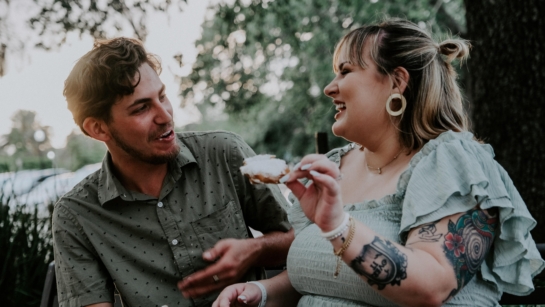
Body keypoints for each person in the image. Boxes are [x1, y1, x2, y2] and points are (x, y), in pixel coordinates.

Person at [212, 18, 545, 307]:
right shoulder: (334, 167)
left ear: (397, 81)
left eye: (345, 71)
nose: (330, 88)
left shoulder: (454, 162)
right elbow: (315, 276)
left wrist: (338, 227)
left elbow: (431, 287)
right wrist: (260, 292)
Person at [52, 37, 294, 307]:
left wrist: (254, 250)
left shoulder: (226, 152)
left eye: (162, 96)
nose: (165, 115)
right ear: (98, 129)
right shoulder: (75, 215)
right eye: (142, 108)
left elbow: (305, 241)